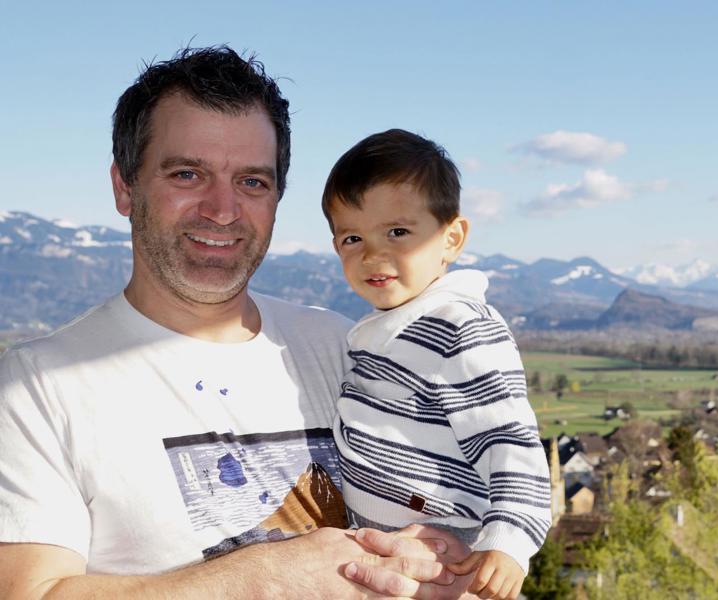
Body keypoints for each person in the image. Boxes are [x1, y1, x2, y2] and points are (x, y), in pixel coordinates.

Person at [0, 46, 473, 599]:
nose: (222, 209)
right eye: (187, 174)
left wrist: (438, 564)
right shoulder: (39, 385)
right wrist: (263, 578)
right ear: (125, 187)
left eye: (252, 182)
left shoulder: (343, 347)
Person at [322, 129, 552, 600]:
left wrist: (508, 541)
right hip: (396, 556)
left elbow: (508, 438)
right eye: (352, 237)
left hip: (450, 553)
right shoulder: (383, 329)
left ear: (452, 239)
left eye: (398, 232)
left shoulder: (458, 326)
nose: (372, 253)